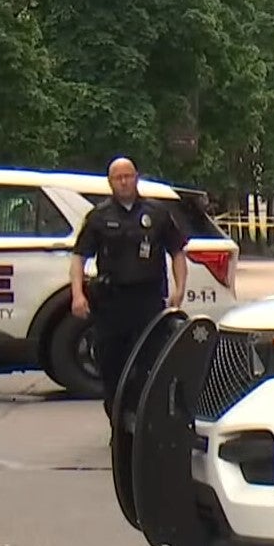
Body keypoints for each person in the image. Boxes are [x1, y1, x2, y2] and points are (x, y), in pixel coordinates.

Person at [70, 157, 189, 415]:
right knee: (111, 363)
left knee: (151, 363)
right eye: (118, 177)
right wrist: (77, 295)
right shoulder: (99, 217)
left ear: (137, 177)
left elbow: (177, 252)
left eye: (128, 176)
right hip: (112, 304)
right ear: (110, 182)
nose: (124, 182)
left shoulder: (156, 214)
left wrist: (179, 289)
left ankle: (146, 423)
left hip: (148, 300)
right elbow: (79, 257)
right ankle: (117, 421)